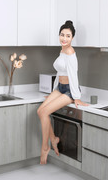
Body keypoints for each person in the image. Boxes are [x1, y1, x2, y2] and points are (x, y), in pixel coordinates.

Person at [37, 20, 89, 165]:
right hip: (60, 88)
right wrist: (54, 91)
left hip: (69, 92)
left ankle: (45, 147)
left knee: (44, 112)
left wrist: (76, 97)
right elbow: (59, 72)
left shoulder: (71, 52)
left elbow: (73, 75)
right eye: (62, 35)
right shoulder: (62, 50)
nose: (64, 39)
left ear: (72, 38)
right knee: (40, 111)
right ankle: (53, 139)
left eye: (68, 36)